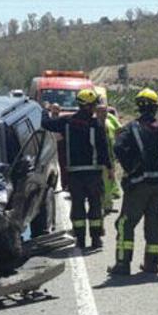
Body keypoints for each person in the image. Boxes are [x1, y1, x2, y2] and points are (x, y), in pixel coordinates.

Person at [110, 88, 158, 276]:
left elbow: (118, 147)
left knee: (125, 224)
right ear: (156, 107)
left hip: (137, 185)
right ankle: (152, 265)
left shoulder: (131, 128)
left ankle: (122, 265)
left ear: (138, 106)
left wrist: (131, 168)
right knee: (154, 225)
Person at [41, 89, 113, 249]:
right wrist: (109, 169)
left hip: (75, 174)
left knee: (78, 207)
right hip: (93, 174)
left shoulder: (67, 122)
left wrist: (45, 110)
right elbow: (103, 150)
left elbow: (45, 124)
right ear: (91, 106)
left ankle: (80, 240)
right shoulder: (97, 125)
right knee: (95, 206)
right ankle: (96, 240)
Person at [94, 89, 122, 213]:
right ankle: (100, 204)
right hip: (97, 158)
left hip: (110, 157)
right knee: (99, 183)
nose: (103, 113)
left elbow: (120, 131)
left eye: (104, 110)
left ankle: (107, 205)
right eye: (100, 111)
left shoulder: (110, 119)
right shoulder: (92, 122)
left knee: (109, 182)